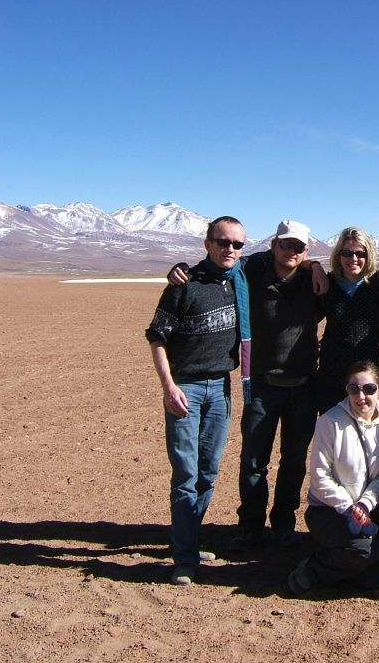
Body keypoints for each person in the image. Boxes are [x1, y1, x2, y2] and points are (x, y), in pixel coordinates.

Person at [168, 219, 325, 552]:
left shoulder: (314, 283)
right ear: (273, 246)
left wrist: (317, 266)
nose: (292, 252)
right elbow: (217, 264)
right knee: (254, 461)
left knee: (294, 461)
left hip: (304, 388)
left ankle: (284, 524)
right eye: (286, 245)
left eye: (299, 247)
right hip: (263, 388)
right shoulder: (251, 273)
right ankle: (250, 527)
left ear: (306, 251)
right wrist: (180, 269)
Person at [145, 215, 248, 586]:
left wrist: (315, 265)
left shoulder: (239, 279)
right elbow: (157, 337)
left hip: (221, 386)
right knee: (186, 474)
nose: (230, 249)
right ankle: (185, 558)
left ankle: (188, 540)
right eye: (223, 242)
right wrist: (168, 387)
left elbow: (284, 260)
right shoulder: (183, 283)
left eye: (237, 244)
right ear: (207, 243)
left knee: (208, 470)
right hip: (185, 387)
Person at [287, 360, 379, 595]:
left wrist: (364, 504)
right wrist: (348, 508)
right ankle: (311, 570)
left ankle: (345, 559)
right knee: (364, 552)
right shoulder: (330, 422)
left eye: (369, 389)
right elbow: (320, 476)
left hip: (364, 507)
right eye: (354, 389)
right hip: (329, 509)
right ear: (347, 390)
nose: (361, 396)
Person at [314, 227, 379, 414]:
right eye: (347, 253)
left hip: (369, 370)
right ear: (339, 255)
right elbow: (309, 319)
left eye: (360, 253)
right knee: (333, 429)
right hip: (332, 371)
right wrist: (313, 265)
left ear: (369, 256)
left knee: (370, 428)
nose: (354, 259)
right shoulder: (328, 284)